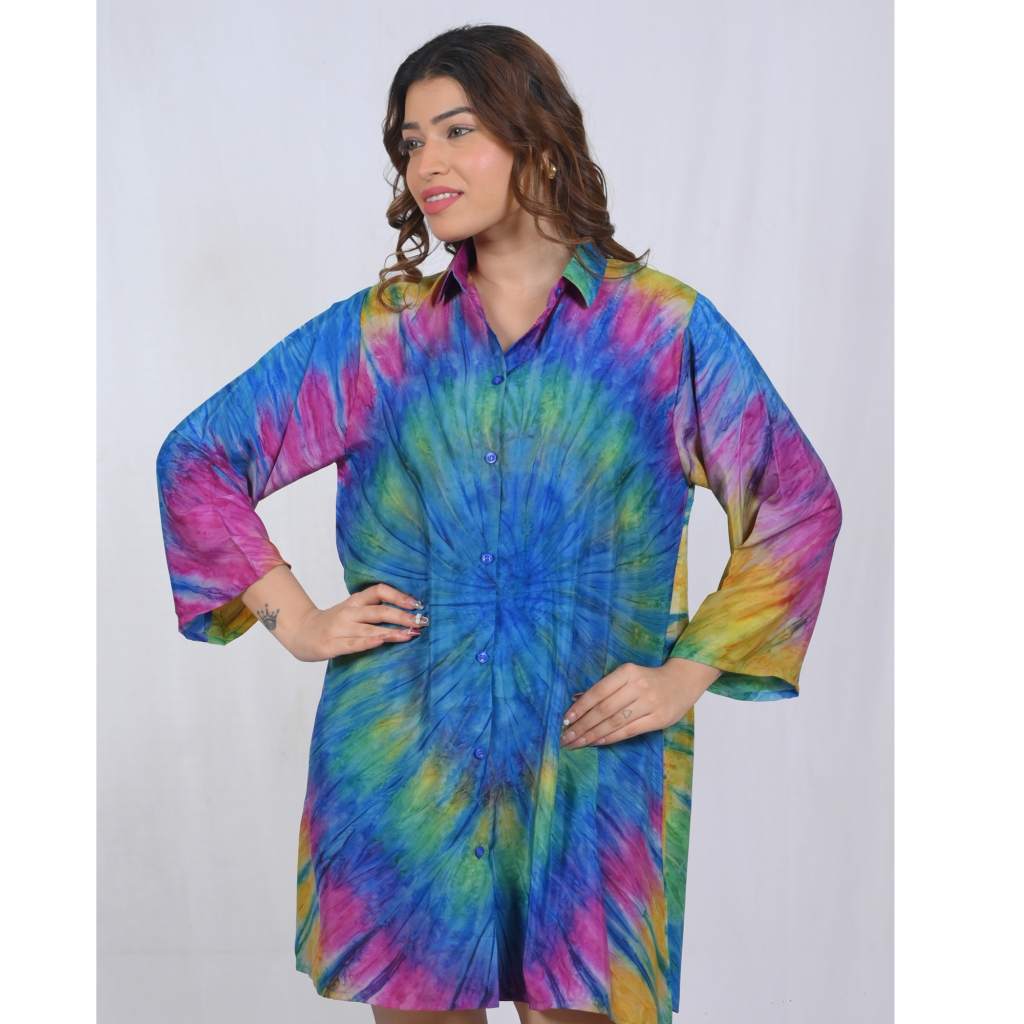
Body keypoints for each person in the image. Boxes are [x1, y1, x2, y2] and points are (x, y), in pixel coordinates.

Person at [155, 23, 843, 1024]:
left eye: (456, 131)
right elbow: (200, 459)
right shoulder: (382, 335)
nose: (426, 164)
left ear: (538, 138)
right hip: (406, 763)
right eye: (410, 143)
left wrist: (687, 670)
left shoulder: (660, 331)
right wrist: (294, 617)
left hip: (591, 770)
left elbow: (795, 502)